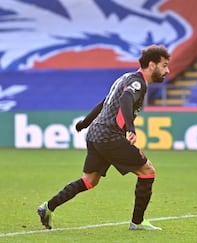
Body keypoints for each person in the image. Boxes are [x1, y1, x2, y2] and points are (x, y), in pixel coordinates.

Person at [37, 45, 170, 231]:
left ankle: (47, 207)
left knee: (89, 180)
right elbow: (125, 100)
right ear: (151, 64)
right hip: (109, 135)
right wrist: (131, 129)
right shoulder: (137, 83)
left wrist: (84, 123)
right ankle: (137, 222)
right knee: (147, 171)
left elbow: (104, 102)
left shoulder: (124, 78)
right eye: (164, 65)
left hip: (95, 134)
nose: (167, 70)